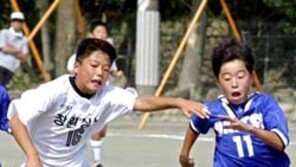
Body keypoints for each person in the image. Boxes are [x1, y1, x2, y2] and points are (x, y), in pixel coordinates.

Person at [8, 38, 210, 167]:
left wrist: (177, 102)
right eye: (94, 65)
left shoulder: (108, 94)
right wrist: (33, 157)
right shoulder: (55, 91)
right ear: (76, 67)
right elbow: (16, 119)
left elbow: (141, 102)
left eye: (106, 69)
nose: (100, 73)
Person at [179, 38, 290, 167]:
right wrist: (184, 154)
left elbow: (280, 142)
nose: (234, 84)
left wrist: (249, 128)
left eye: (240, 76)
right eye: (227, 78)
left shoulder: (265, 104)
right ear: (218, 82)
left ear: (251, 78)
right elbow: (195, 124)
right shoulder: (214, 109)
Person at [67, 20, 125, 167]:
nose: (101, 35)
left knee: (101, 131)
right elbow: (71, 74)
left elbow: (112, 70)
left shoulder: (108, 56)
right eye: (98, 32)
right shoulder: (81, 54)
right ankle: (97, 162)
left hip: (104, 96)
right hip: (85, 99)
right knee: (93, 129)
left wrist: (117, 73)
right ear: (91, 34)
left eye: (104, 33)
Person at [0, 11, 29, 87]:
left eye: (19, 21)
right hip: (1, 65)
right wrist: (19, 50)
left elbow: (24, 56)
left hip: (11, 69)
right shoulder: (4, 33)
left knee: (2, 89)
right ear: (11, 22)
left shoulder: (24, 39)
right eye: (15, 20)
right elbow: (4, 48)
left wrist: (10, 47)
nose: (17, 23)